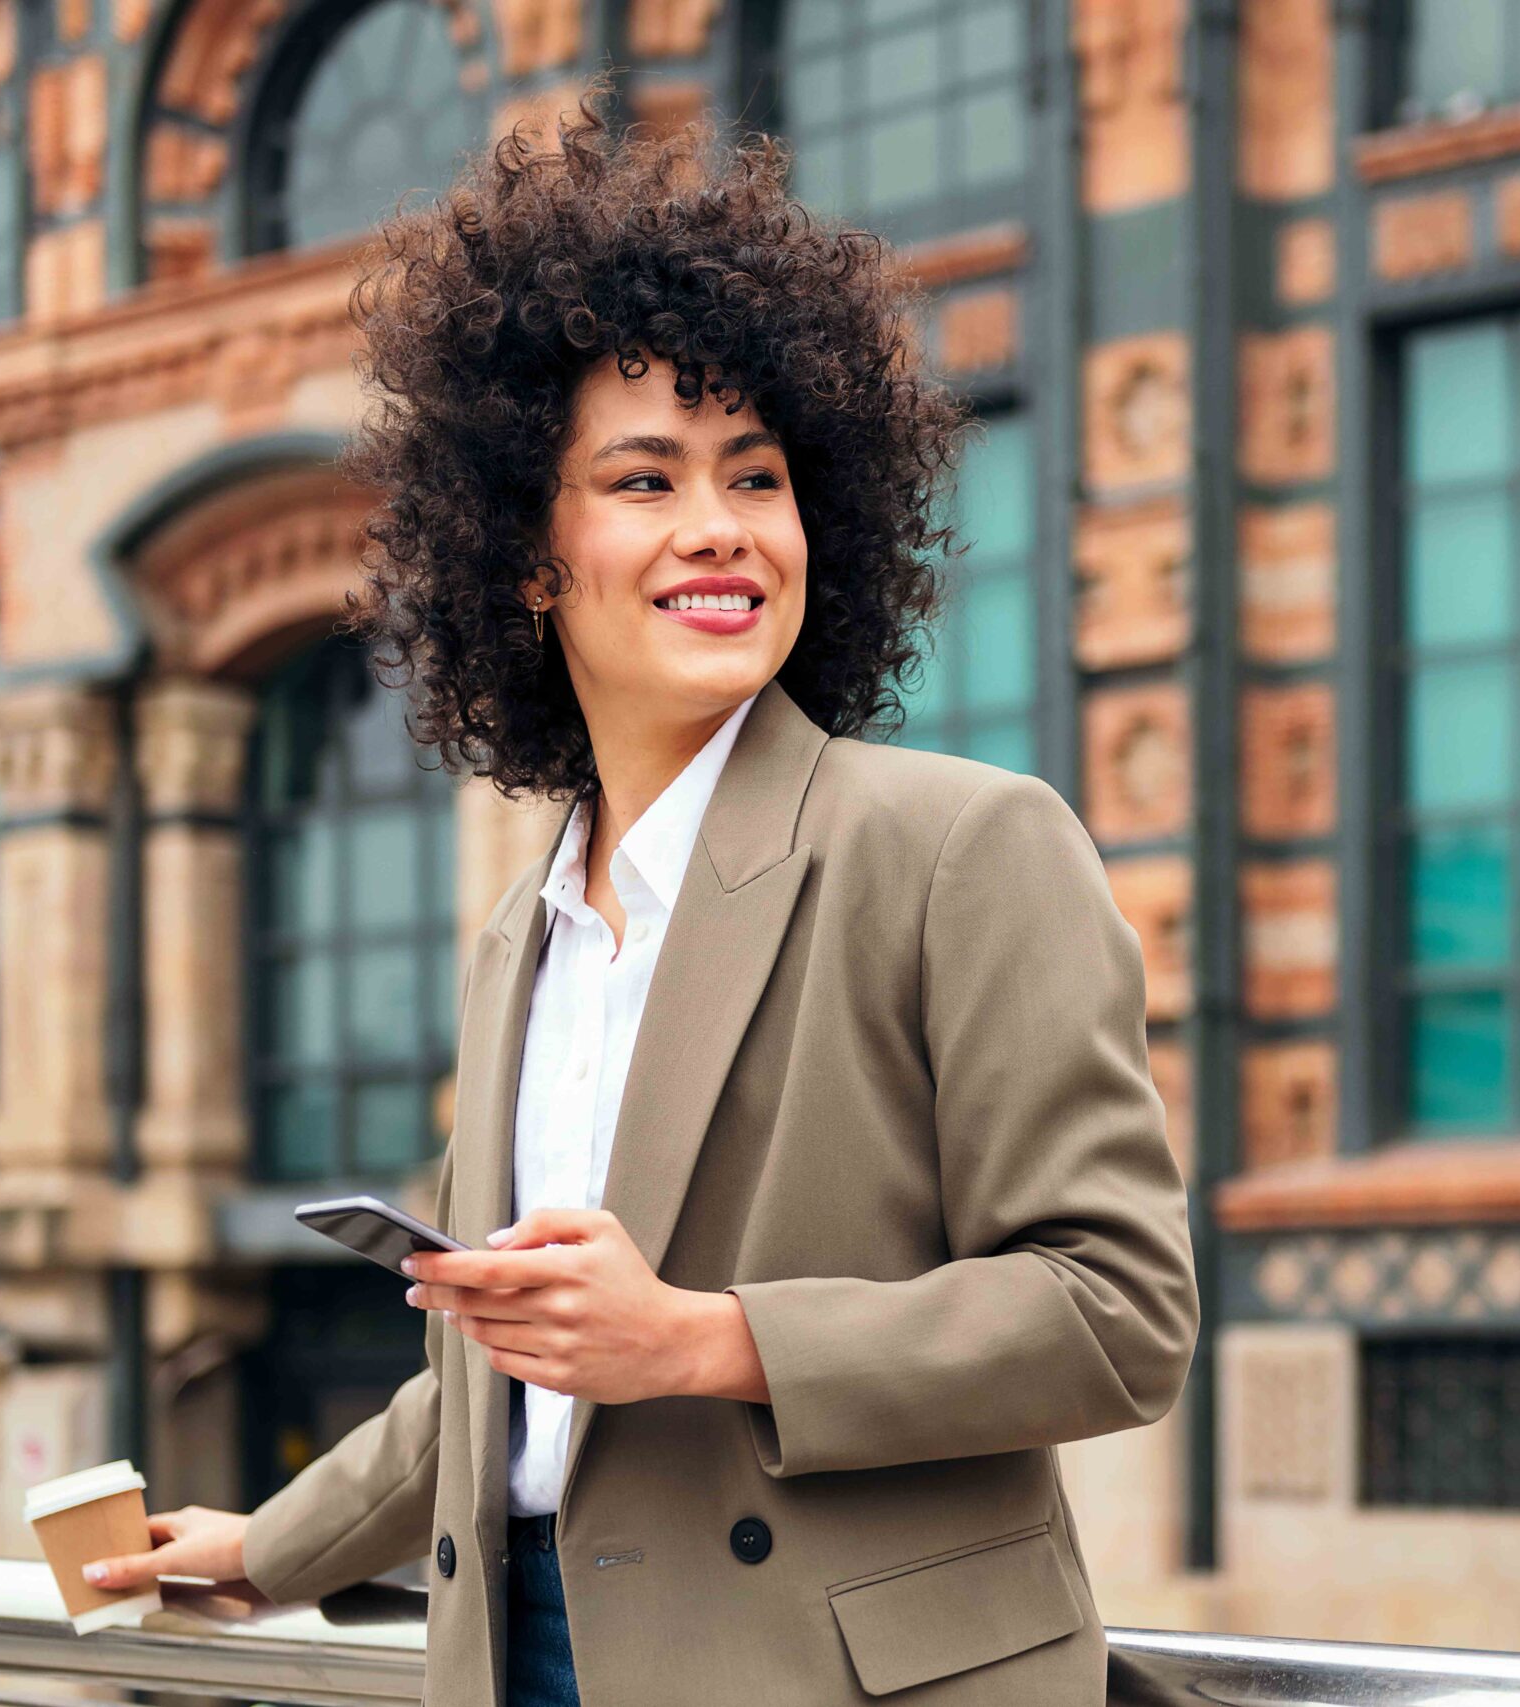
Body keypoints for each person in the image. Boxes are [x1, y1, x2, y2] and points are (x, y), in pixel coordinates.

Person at [77, 73, 1199, 1706]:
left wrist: (701, 1340)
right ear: (527, 558)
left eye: (757, 476)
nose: (721, 529)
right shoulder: (521, 929)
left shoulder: (963, 845)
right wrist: (269, 1548)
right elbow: (507, 1369)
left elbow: (1120, 1313)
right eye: (646, 480)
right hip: (523, 1654)